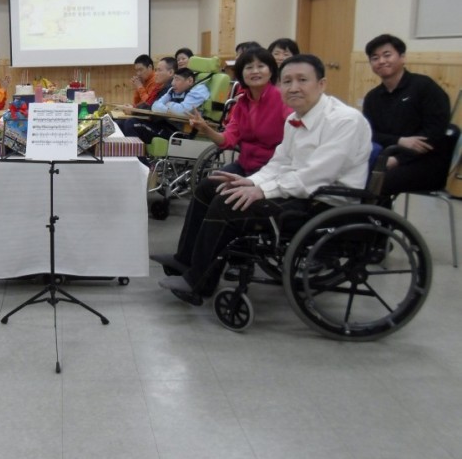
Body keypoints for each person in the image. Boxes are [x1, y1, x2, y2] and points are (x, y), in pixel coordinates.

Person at [158, 54, 372, 305]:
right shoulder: (295, 119)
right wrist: (251, 182)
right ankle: (187, 261)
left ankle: (199, 282)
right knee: (212, 187)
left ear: (321, 84)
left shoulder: (344, 120)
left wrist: (263, 190)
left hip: (324, 202)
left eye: (302, 80)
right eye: (287, 81)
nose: (294, 87)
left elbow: (317, 175)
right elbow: (279, 163)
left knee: (228, 202)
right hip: (295, 189)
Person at [150, 47, 292, 274]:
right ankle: (184, 258)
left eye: (261, 66)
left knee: (222, 198)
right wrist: (206, 129)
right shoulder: (242, 102)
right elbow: (228, 140)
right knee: (204, 187)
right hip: (245, 164)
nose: (255, 71)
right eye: (249, 67)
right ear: (241, 73)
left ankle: (211, 267)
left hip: (269, 170)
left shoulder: (282, 100)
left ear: (271, 70)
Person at [362, 34, 452, 195]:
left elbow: (434, 132)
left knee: (380, 181)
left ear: (402, 57)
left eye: (387, 55)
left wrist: (398, 159)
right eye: (375, 58)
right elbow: (369, 133)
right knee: (352, 173)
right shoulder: (372, 97)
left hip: (426, 161)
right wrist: (399, 141)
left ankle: (375, 211)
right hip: (386, 156)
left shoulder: (424, 87)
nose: (381, 61)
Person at [119, 58, 182, 142]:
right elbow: (148, 103)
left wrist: (133, 111)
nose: (156, 73)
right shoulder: (162, 87)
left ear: (170, 72)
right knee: (121, 123)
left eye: (159, 70)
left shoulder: (171, 89)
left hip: (168, 130)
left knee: (131, 123)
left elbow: (152, 107)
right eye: (156, 70)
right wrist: (133, 108)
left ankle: (136, 151)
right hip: (157, 125)